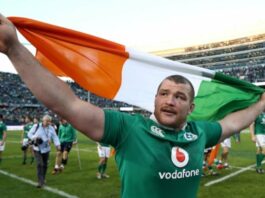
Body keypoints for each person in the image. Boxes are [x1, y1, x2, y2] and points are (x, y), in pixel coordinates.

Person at [1, 14, 265, 197]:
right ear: (155, 99)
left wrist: (262, 103)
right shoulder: (128, 128)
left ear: (191, 107)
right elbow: (68, 104)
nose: (170, 100)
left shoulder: (199, 132)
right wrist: (14, 48)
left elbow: (232, 122)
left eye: (179, 96)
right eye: (164, 93)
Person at [28, 115, 61, 188]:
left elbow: (55, 137)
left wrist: (57, 145)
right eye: (47, 121)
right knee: (40, 164)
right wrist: (35, 137)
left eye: (49, 121)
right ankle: (40, 181)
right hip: (37, 148)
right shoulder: (36, 126)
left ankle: (43, 178)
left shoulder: (51, 128)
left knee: (45, 165)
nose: (48, 122)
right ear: (43, 120)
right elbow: (29, 134)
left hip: (46, 149)